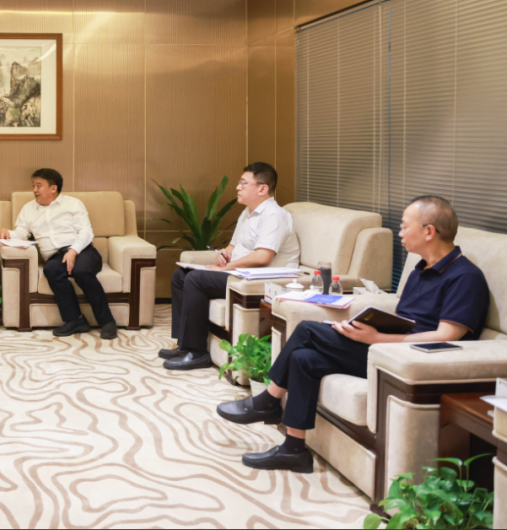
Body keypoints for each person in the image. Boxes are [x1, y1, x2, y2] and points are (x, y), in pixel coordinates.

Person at [216, 196, 489, 472]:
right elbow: (405, 319)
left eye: (405, 227)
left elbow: (446, 336)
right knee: (303, 358)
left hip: (413, 361)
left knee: (307, 330)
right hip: (388, 350)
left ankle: (269, 400)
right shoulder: (421, 270)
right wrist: (366, 327)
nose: (400, 233)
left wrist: (377, 338)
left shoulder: (465, 277)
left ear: (429, 231)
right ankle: (294, 450)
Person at [162, 162, 299, 370]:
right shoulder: (248, 212)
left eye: (244, 183)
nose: (238, 187)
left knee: (196, 279)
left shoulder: (274, 215)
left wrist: (227, 267)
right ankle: (184, 344)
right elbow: (234, 245)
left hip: (263, 278)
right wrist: (224, 254)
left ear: (262, 188)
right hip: (243, 273)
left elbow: (263, 256)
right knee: (180, 275)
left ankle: (197, 353)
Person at [0, 168, 117, 340]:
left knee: (81, 272)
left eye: (39, 185)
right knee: (51, 269)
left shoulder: (73, 204)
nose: (34, 190)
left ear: (53, 188)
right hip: (56, 256)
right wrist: (8, 233)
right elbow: (22, 233)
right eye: (33, 186)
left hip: (83, 250)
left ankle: (107, 321)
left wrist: (73, 251)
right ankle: (76, 320)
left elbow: (86, 231)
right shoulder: (29, 209)